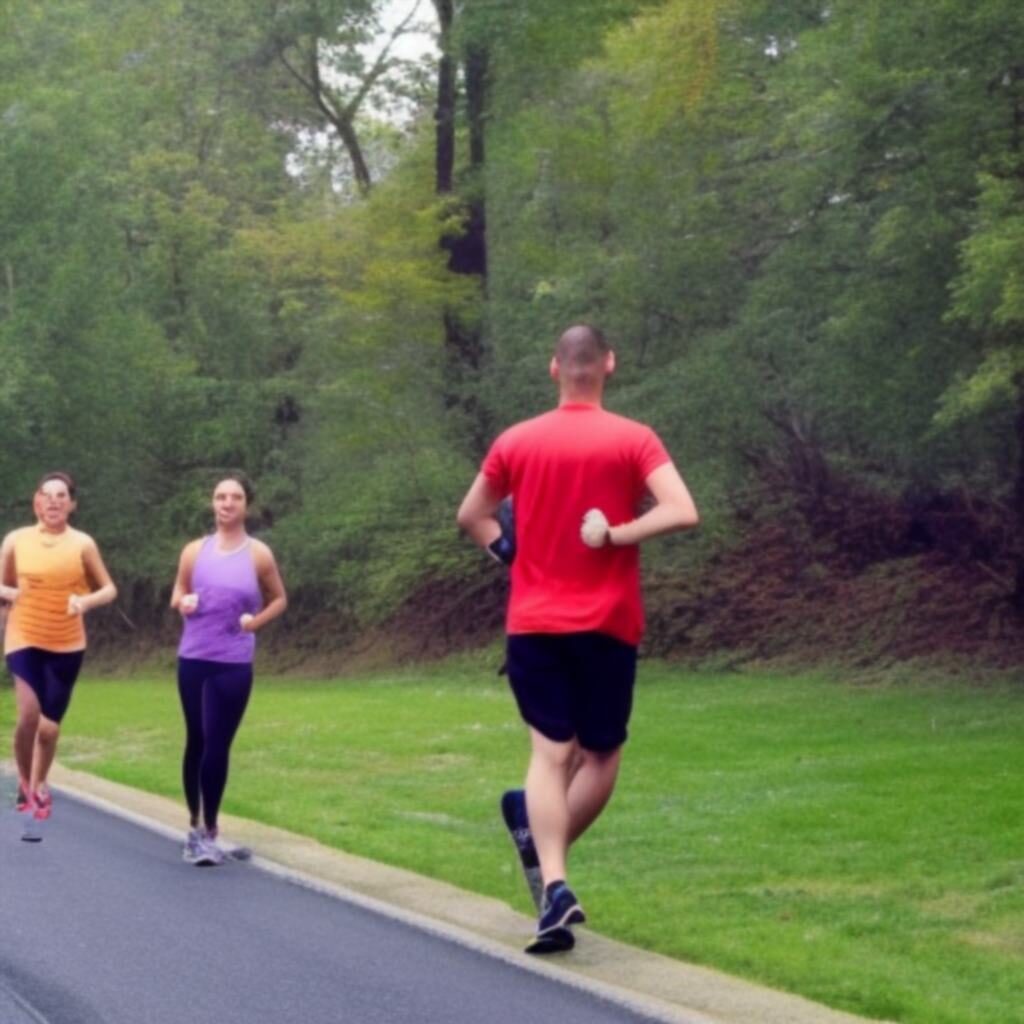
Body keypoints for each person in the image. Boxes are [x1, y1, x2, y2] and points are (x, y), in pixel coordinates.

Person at [456, 324, 699, 954]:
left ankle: (553, 878)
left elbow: (470, 516)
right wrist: (615, 534)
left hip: (534, 622)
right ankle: (552, 871)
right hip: (609, 623)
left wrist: (508, 551)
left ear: (553, 369)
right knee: (599, 758)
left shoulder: (516, 441)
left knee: (549, 756)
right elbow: (682, 510)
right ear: (608, 365)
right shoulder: (633, 439)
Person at [170, 474, 287, 867]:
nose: (227, 503)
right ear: (212, 503)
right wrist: (182, 602)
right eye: (220, 496)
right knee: (198, 739)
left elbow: (279, 599)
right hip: (194, 658)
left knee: (219, 744)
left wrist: (255, 623)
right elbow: (177, 592)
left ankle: (212, 832)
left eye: (235, 497)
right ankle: (194, 830)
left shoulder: (258, 555)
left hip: (234, 662)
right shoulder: (193, 551)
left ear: (245, 506)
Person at [1, 471, 118, 842]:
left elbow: (109, 589)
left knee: (49, 730)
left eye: (61, 496)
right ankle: (27, 783)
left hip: (67, 643)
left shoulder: (82, 544)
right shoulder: (16, 540)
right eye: (47, 495)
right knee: (28, 716)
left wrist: (84, 601)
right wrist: (10, 595)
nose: (53, 501)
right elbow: (2, 586)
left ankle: (40, 780)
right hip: (24, 637)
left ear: (72, 504)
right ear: (36, 502)